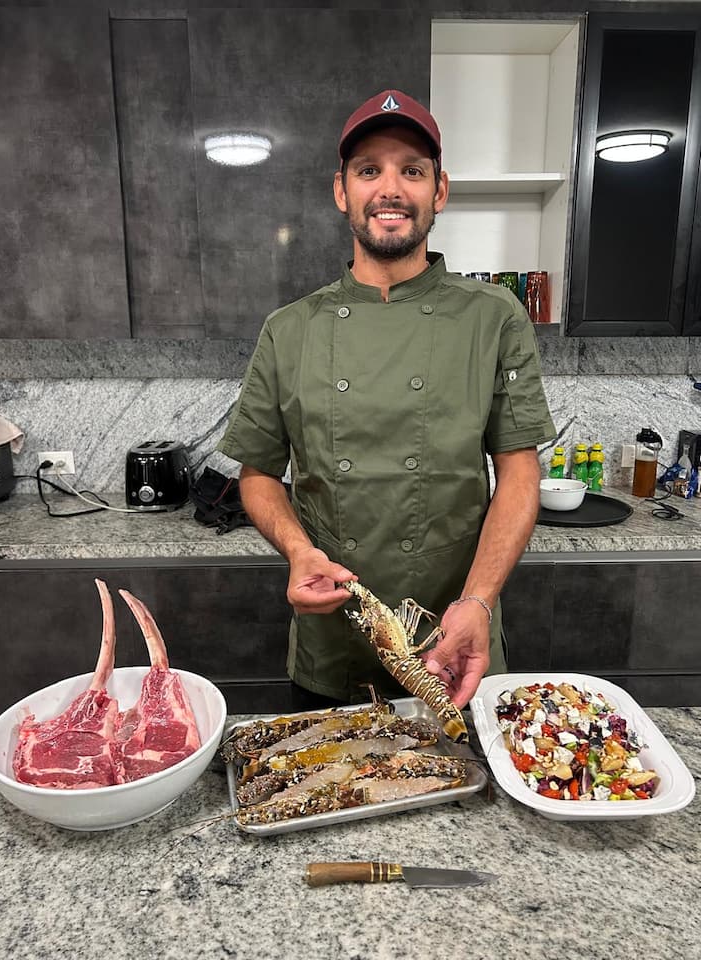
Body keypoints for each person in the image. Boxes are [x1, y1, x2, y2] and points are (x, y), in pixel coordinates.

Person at [220, 89, 556, 710]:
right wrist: (297, 550)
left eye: (413, 171)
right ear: (341, 191)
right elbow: (258, 473)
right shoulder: (289, 329)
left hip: (455, 639)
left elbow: (518, 473)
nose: (391, 189)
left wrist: (479, 601)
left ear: (440, 190)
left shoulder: (494, 317)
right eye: (369, 170)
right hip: (334, 642)